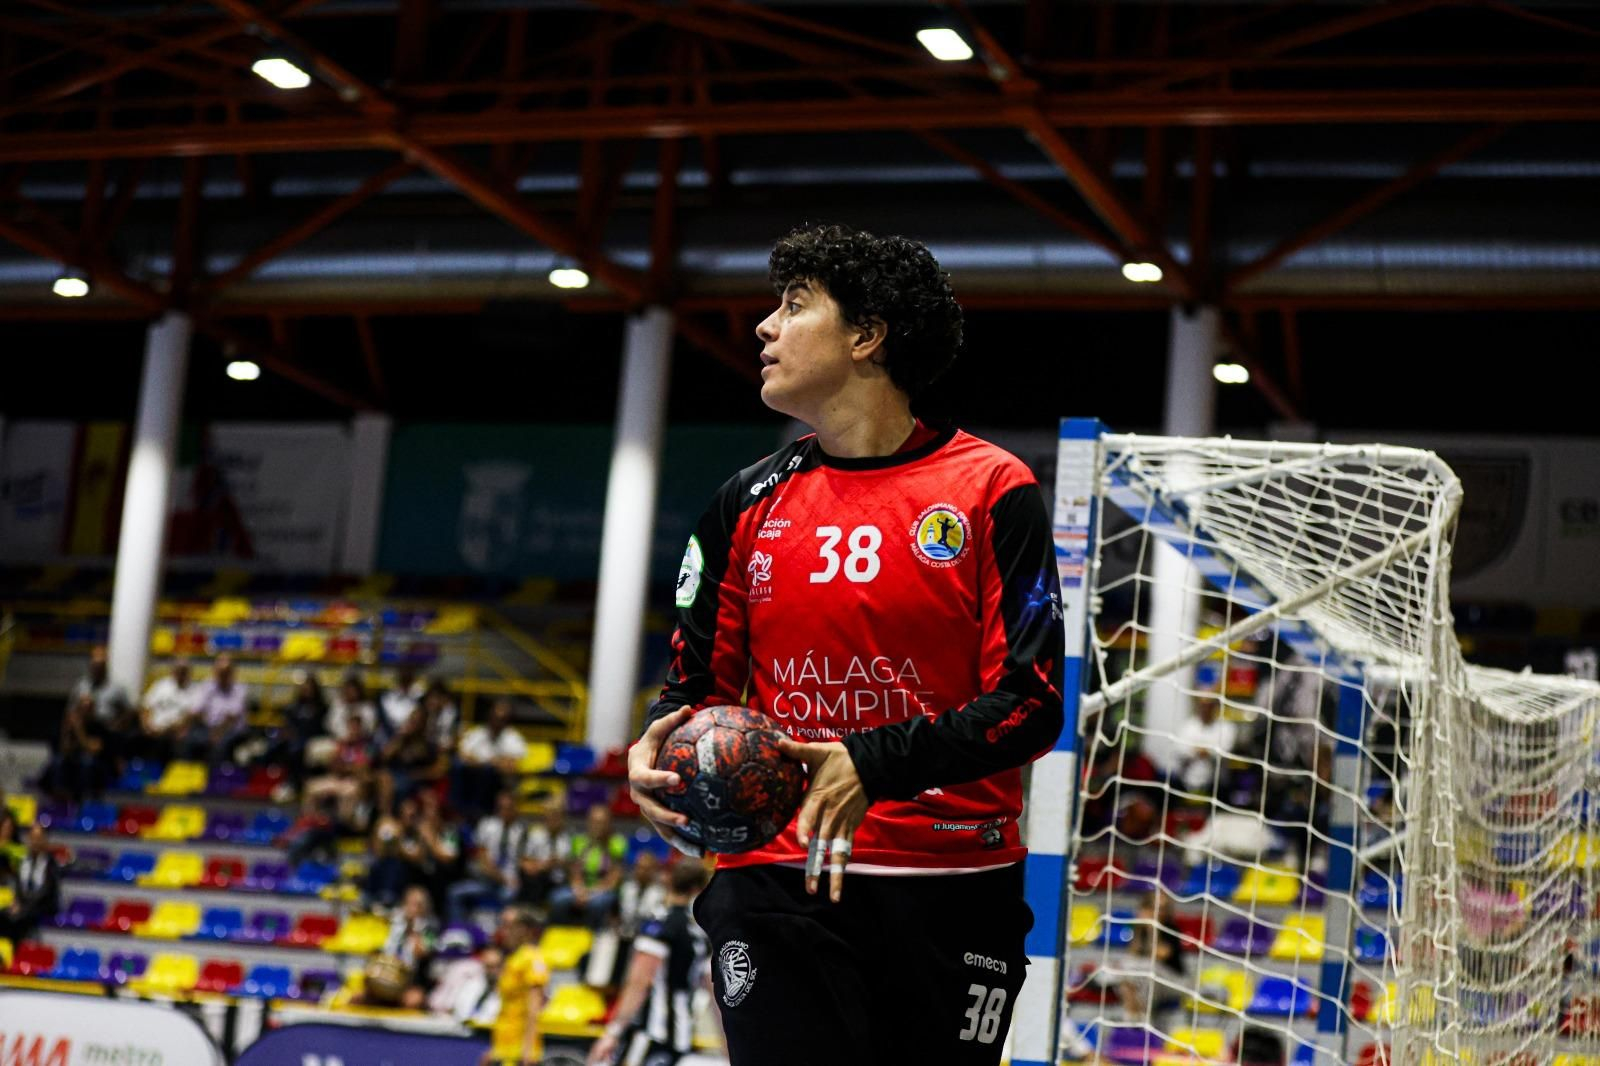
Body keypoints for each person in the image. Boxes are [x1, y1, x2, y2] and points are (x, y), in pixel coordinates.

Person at [626, 223, 1064, 1066]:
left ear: (867, 338)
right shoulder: (744, 503)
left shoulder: (992, 491)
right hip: (775, 876)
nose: (765, 327)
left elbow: (1033, 707)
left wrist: (870, 760)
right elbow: (694, 687)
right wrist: (659, 744)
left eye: (794, 307)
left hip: (951, 888)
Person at [587, 861, 711, 1066]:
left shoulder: (658, 925)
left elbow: (639, 982)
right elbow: (715, 991)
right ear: (699, 889)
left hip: (650, 1034)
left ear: (668, 882)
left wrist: (612, 1032)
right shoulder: (700, 933)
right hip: (681, 1036)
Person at [483, 906, 549, 1066]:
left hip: (519, 1049)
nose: (505, 930)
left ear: (524, 929)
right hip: (504, 1045)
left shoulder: (532, 958)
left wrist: (528, 1050)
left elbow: (534, 1008)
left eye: (509, 926)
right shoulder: (514, 958)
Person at [549, 805, 626, 928]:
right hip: (581, 889)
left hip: (603, 890)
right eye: (594, 822)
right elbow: (575, 872)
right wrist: (578, 890)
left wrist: (591, 893)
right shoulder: (579, 841)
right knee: (557, 898)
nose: (597, 826)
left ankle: (594, 937)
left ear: (609, 824)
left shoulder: (617, 843)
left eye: (602, 822)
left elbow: (613, 878)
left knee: (596, 905)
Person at [453, 698, 528, 819]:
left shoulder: (514, 738)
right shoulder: (478, 733)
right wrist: (490, 762)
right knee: (457, 766)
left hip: (499, 785)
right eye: (494, 717)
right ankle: (457, 807)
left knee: (488, 771)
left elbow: (511, 767)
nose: (497, 721)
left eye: (502, 719)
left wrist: (482, 762)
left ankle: (478, 810)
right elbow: (462, 756)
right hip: (472, 780)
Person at [181, 654, 250, 761]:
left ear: (232, 672)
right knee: (188, 740)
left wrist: (217, 733)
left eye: (226, 671)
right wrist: (185, 728)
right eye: (220, 671)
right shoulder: (207, 685)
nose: (222, 674)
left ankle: (216, 775)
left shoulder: (239, 689)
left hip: (231, 730)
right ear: (214, 671)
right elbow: (195, 710)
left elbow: (232, 717)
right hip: (208, 728)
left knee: (220, 745)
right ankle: (189, 775)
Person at [0, 823, 61, 943]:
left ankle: (19, 950)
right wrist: (16, 902)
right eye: (32, 838)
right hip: (24, 905)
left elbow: (46, 891)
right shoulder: (23, 860)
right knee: (3, 914)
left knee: (19, 917)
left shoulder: (51, 863)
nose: (35, 842)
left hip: (44, 905)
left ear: (45, 840)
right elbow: (19, 885)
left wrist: (24, 906)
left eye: (38, 838)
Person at [139, 659, 198, 761]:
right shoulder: (161, 685)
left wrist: (169, 729)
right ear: (173, 671)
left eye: (183, 671)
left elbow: (189, 716)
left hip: (174, 731)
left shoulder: (195, 689)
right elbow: (145, 707)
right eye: (178, 670)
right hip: (153, 728)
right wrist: (147, 726)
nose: (180, 673)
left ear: (189, 673)